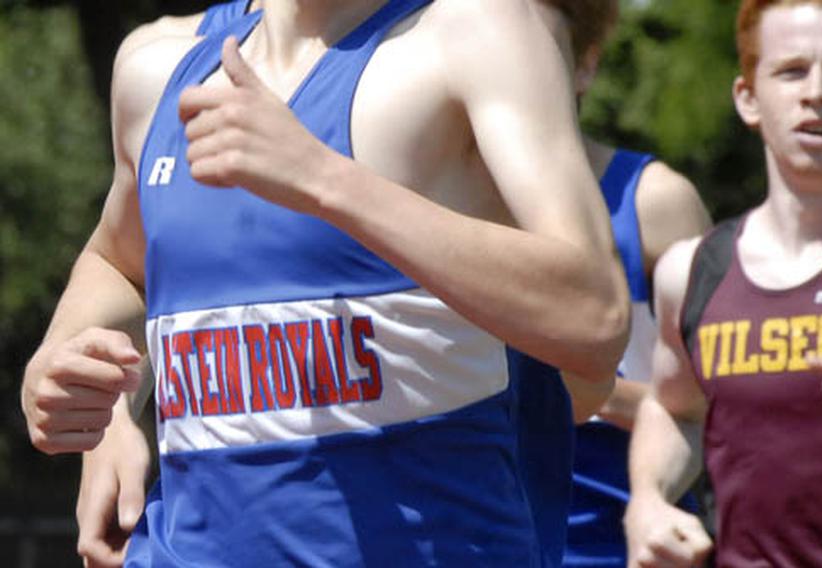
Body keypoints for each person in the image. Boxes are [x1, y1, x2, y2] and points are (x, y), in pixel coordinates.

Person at [20, 1, 632, 567]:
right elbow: (121, 262)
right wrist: (75, 376)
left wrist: (325, 179)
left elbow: (593, 317)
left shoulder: (480, 33)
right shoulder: (154, 65)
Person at [623, 0, 822, 566]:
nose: (817, 92)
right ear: (747, 98)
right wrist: (647, 500)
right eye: (791, 70)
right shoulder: (693, 270)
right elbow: (676, 407)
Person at [517, 2, 712, 566]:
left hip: (614, 546)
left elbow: (730, 406)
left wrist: (581, 387)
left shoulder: (654, 202)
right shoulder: (432, 202)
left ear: (586, 66)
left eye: (538, 54)